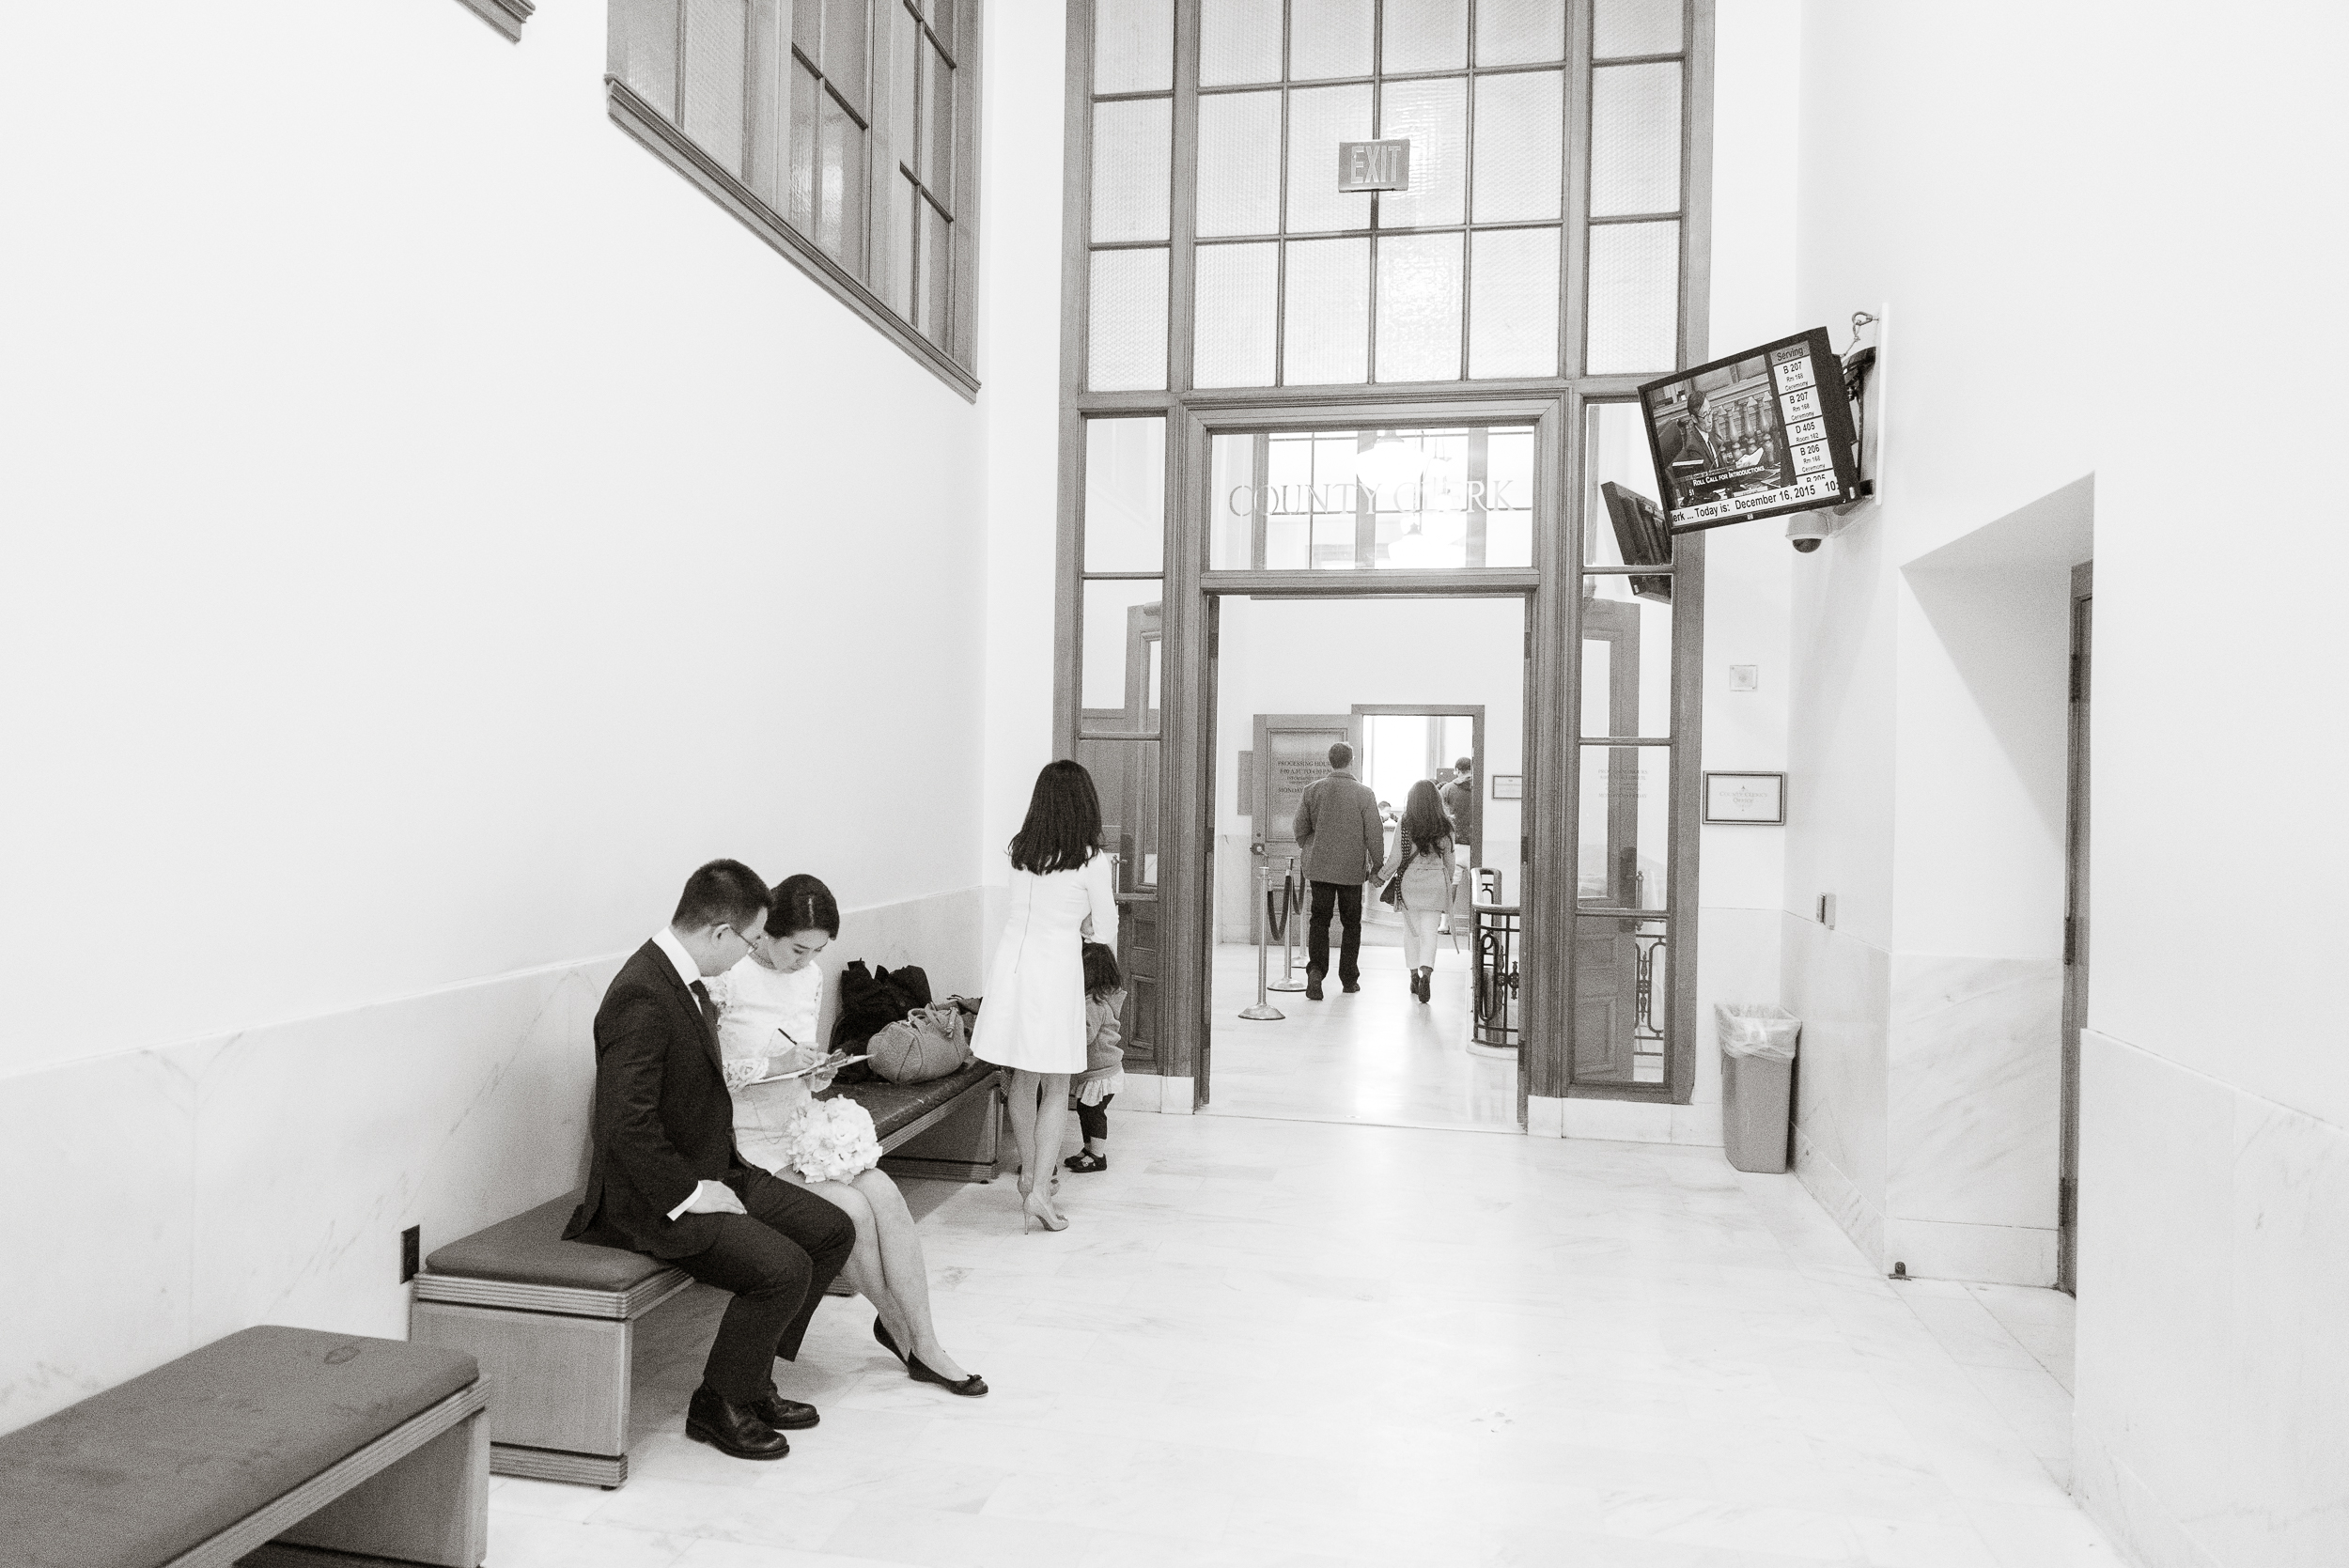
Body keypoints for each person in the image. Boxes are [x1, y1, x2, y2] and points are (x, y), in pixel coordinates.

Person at [564, 861, 856, 1463]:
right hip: (649, 1198)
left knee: (832, 1231)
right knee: (781, 1268)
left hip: (712, 1169)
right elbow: (624, 1127)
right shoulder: (642, 993)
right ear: (721, 933)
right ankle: (718, 1404)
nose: (747, 954)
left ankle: (751, 1382)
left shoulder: (686, 981)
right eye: (750, 941)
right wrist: (693, 1194)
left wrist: (722, 1178)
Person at [712, 874, 985, 1398]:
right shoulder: (729, 977)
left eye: (818, 950)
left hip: (796, 1125)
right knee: (852, 1212)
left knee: (885, 1194)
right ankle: (908, 1337)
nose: (805, 960)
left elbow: (799, 1052)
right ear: (765, 930)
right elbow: (709, 1072)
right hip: (746, 1141)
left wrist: (816, 1069)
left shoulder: (809, 977)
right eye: (797, 948)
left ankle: (922, 1336)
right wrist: (775, 1063)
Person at [972, 760, 1118, 1232]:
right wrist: (1084, 924)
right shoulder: (1092, 859)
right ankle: (1038, 1189)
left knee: (1023, 1076)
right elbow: (1106, 930)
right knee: (1057, 1085)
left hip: (1011, 965)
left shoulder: (1020, 853)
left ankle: (1031, 1178)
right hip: (1055, 971)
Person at [1292, 741, 1384, 1001]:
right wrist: (1377, 865)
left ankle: (1316, 972)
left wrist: (1311, 846)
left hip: (1319, 868)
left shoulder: (1313, 790)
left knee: (1319, 920)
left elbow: (1299, 828)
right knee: (1351, 924)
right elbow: (1374, 834)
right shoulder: (1364, 794)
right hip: (1351, 871)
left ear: (1329, 761)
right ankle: (1349, 979)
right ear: (1352, 760)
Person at [1063, 941, 1126, 1174]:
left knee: (1094, 1113)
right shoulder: (1096, 999)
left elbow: (1087, 1035)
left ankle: (1098, 1156)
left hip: (1101, 1073)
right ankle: (1089, 1149)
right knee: (1084, 1109)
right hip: (1098, 1071)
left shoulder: (1093, 1004)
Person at [1394, 780, 1457, 1004]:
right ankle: (1426, 975)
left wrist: (1380, 876)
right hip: (1435, 883)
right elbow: (1450, 862)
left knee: (1411, 932)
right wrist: (1446, 881)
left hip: (1410, 883)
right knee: (1430, 932)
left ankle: (1413, 975)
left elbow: (1396, 858)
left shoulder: (1405, 822)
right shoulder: (1446, 826)